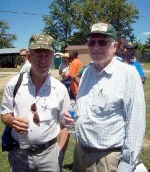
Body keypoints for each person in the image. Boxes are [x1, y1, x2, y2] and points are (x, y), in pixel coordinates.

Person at [64, 22, 146, 172]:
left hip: (107, 159)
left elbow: (135, 123)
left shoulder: (128, 74)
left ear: (114, 46)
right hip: (81, 153)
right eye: (91, 42)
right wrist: (73, 119)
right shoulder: (87, 72)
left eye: (102, 42)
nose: (96, 47)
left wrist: (127, 164)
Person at [1, 34, 70, 172]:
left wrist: (60, 153)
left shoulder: (59, 89)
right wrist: (12, 120)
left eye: (47, 54)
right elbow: (5, 115)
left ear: (51, 57)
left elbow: (65, 125)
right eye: (38, 54)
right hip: (19, 154)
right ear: (30, 56)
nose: (43, 60)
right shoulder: (14, 84)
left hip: (49, 155)